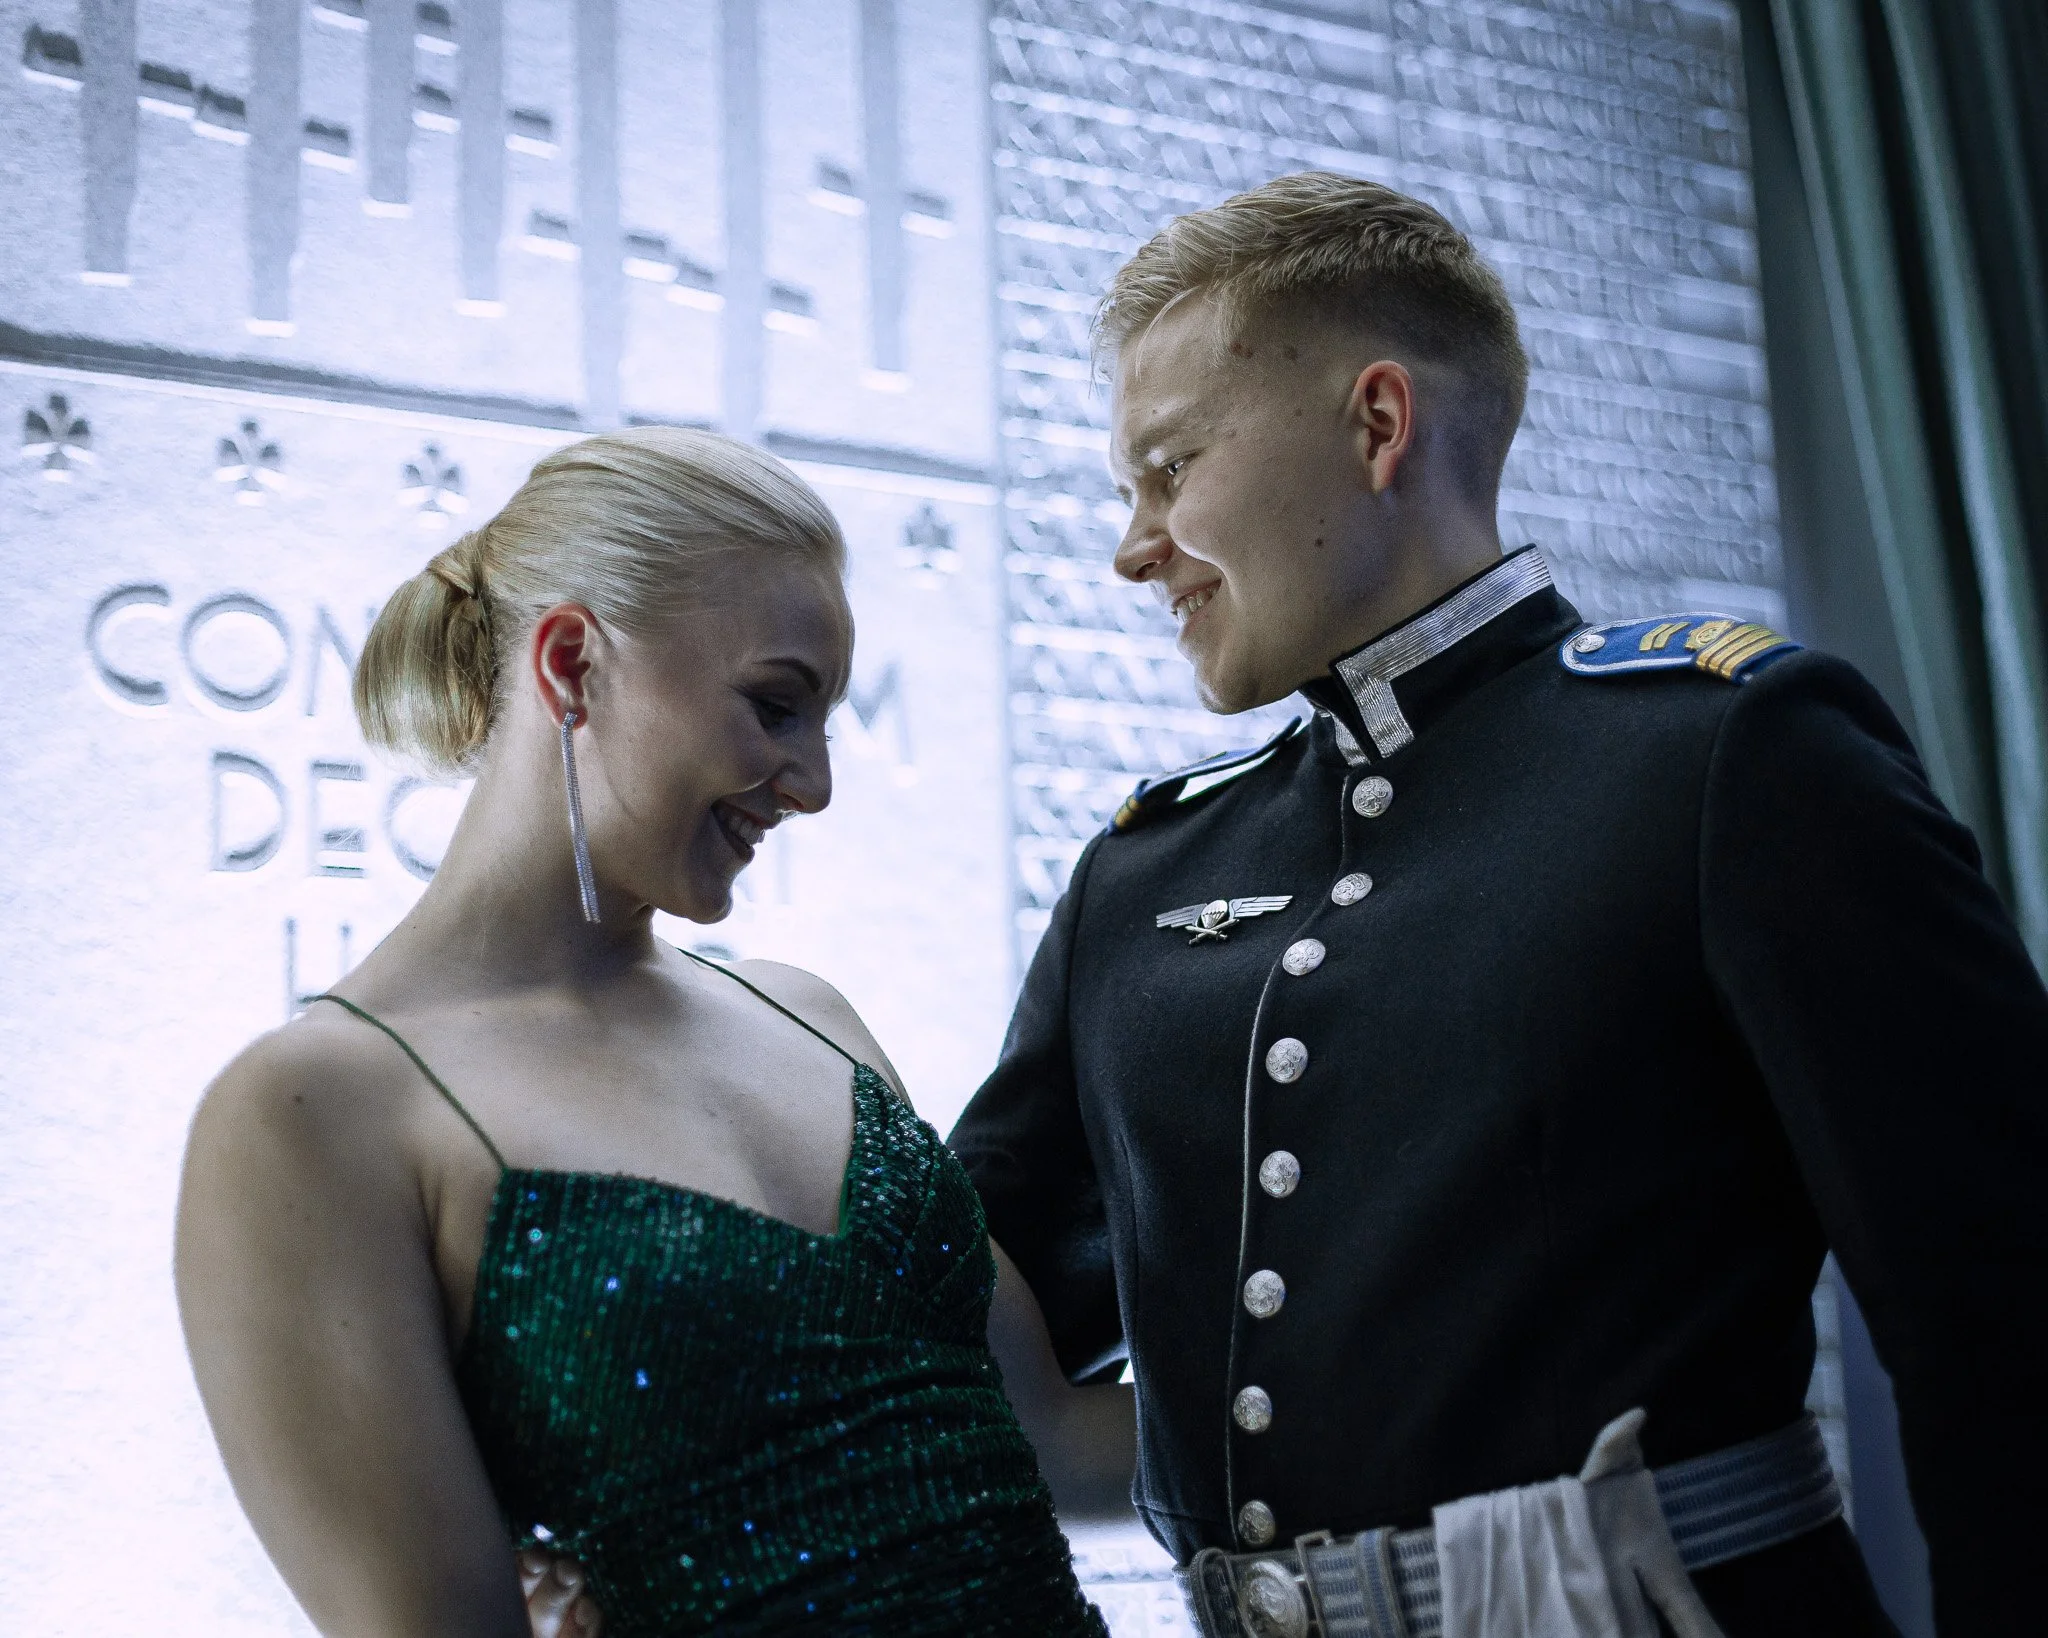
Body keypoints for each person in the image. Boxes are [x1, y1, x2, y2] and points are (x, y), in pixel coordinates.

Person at [947, 172, 2048, 1637]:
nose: (1132, 542)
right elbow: (947, 1309)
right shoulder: (1147, 871)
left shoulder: (1726, 755)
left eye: (1169, 466)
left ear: (1378, 424)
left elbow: (2010, 1328)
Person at [175, 427, 1107, 1638]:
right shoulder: (314, 1114)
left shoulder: (808, 1016)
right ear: (570, 665)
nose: (812, 782)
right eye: (776, 705)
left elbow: (1053, 1443)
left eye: (823, 720)